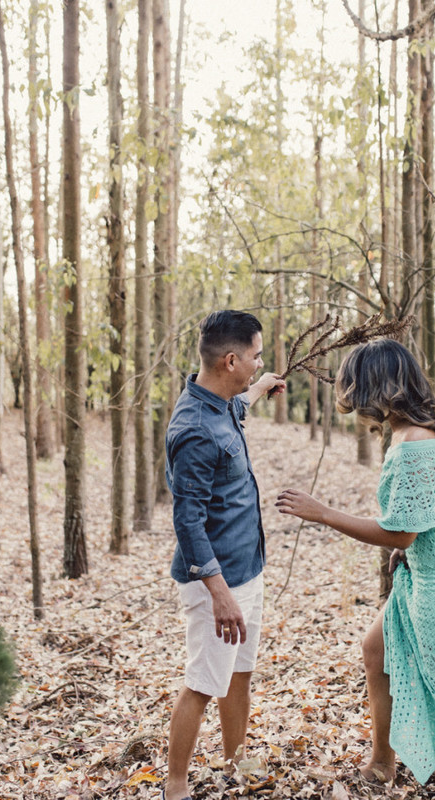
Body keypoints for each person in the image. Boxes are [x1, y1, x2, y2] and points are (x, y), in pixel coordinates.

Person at [275, 339, 435, 800]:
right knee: (376, 649)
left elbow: (398, 533)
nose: (353, 402)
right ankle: (382, 762)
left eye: (355, 389)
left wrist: (322, 512)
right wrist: (420, 538)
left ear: (375, 388)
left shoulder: (415, 442)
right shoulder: (424, 429)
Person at [162, 310, 286, 800]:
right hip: (216, 582)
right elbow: (187, 521)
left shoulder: (219, 403)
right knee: (203, 681)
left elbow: (236, 409)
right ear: (231, 359)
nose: (259, 364)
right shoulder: (193, 428)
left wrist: (260, 387)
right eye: (255, 358)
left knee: (239, 672)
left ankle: (235, 763)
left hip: (246, 567)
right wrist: (219, 592)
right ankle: (175, 787)